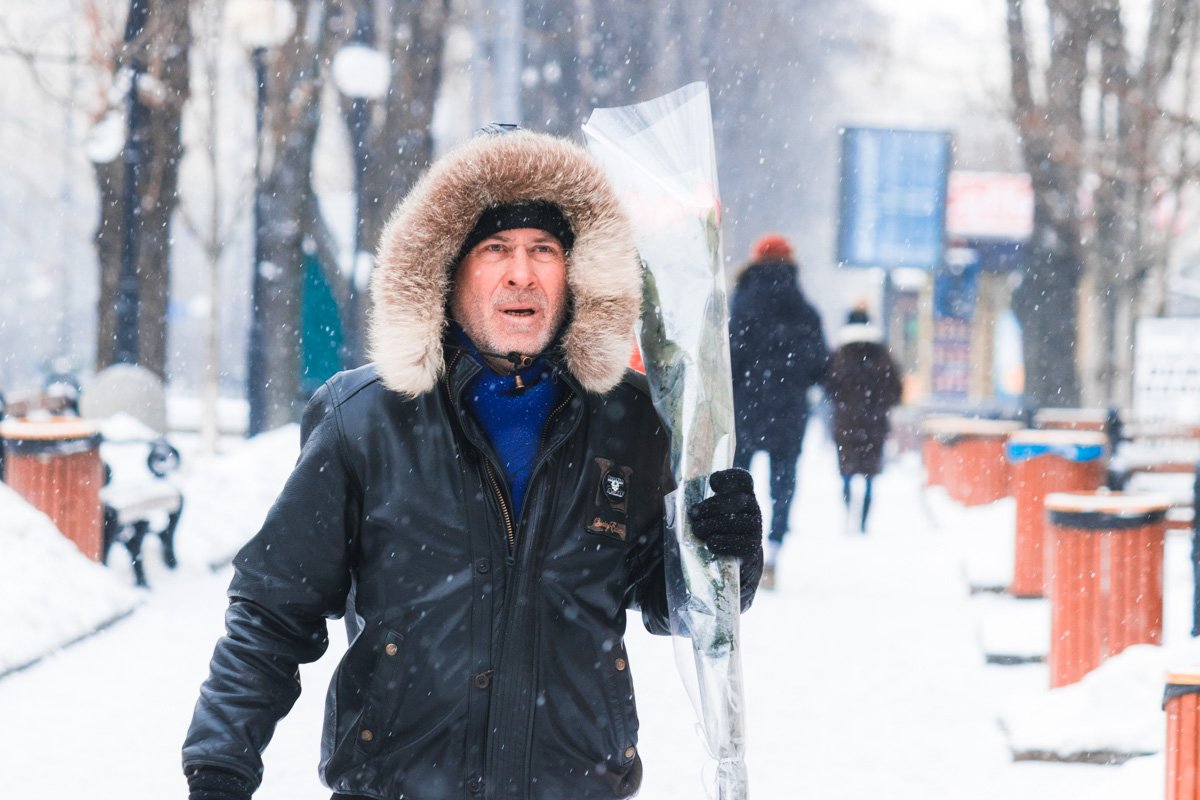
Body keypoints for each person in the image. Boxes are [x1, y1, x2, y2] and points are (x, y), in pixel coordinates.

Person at [181, 128, 763, 800]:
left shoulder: (631, 419)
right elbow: (272, 613)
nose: (523, 273)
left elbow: (672, 603)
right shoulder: (366, 419)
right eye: (496, 250)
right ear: (447, 268)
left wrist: (724, 553)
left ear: (575, 273)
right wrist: (220, 771)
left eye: (544, 250)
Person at [728, 233, 828, 588]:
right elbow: (819, 367)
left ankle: (737, 551)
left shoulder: (740, 303)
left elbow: (730, 358)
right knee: (782, 481)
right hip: (788, 411)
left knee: (738, 481)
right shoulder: (805, 310)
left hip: (745, 408)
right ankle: (774, 547)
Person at [825, 303, 903, 533]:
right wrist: (879, 405)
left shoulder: (840, 355)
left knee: (847, 471)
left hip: (846, 424)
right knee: (870, 474)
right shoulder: (882, 355)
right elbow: (895, 389)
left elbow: (830, 387)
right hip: (875, 424)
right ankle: (863, 522)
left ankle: (848, 511)